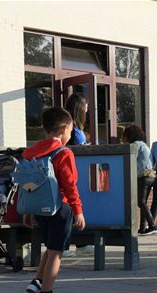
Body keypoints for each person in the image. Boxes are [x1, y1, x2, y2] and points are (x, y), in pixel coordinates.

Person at [24, 107, 85, 293]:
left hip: (39, 207)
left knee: (50, 247)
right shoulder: (63, 153)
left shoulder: (31, 152)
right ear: (64, 129)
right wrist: (78, 210)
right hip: (60, 208)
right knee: (57, 251)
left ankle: (38, 282)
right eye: (71, 130)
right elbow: (70, 184)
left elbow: (24, 183)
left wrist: (26, 210)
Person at [63, 93, 91, 256]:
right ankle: (66, 245)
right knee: (71, 206)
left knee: (75, 207)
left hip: (73, 172)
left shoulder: (70, 126)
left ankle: (80, 242)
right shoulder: (73, 128)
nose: (87, 110)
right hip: (73, 173)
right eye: (86, 107)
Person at [121, 125, 156, 235]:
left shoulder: (136, 145)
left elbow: (130, 158)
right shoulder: (143, 144)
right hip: (150, 175)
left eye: (125, 135)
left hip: (143, 176)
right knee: (143, 202)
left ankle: (152, 225)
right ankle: (142, 228)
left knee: (141, 202)